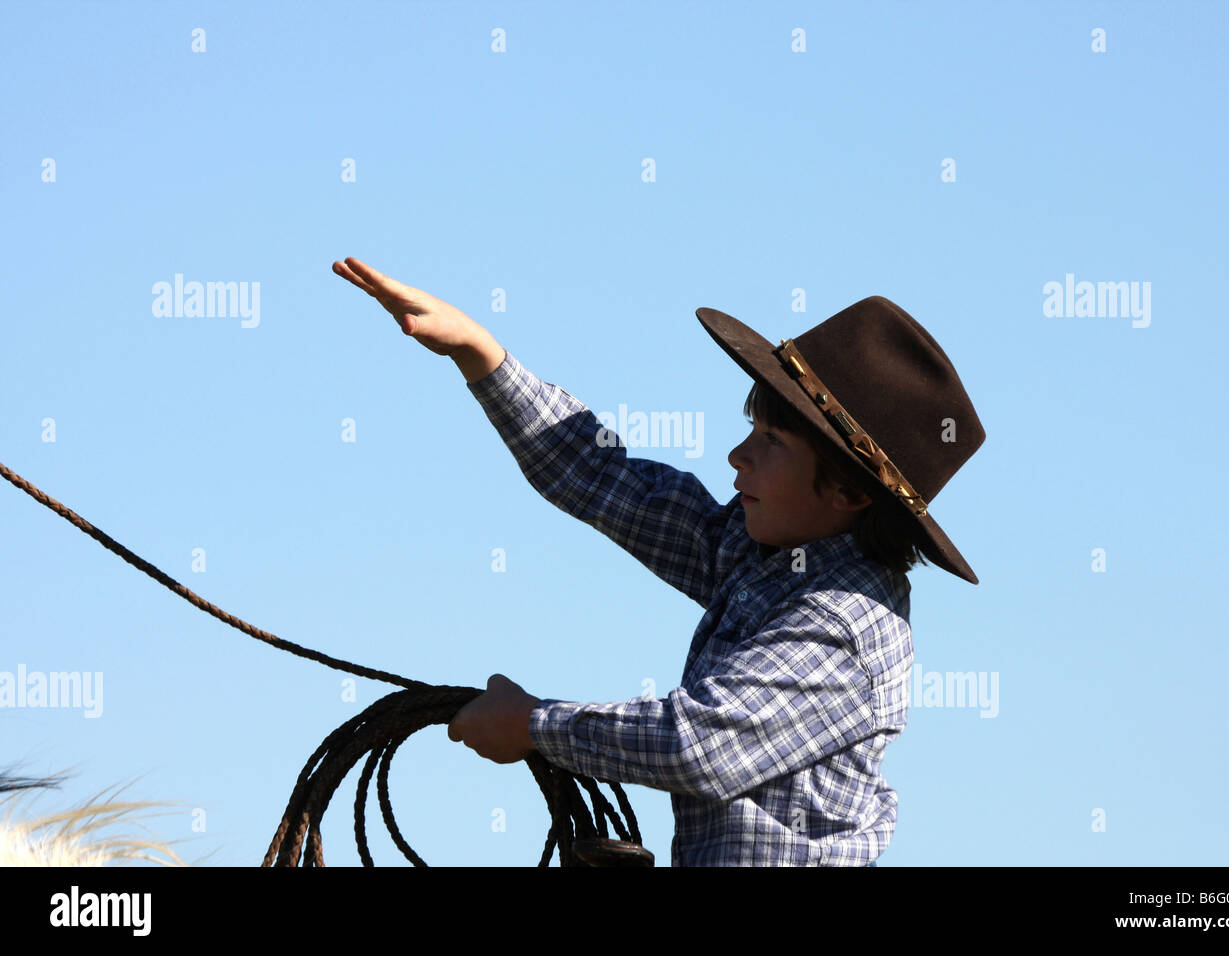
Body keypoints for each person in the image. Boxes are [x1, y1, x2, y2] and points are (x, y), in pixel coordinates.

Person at [331, 257, 986, 866]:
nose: (740, 455)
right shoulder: (765, 559)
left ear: (847, 491)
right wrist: (481, 355)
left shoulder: (842, 624)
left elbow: (697, 745)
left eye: (772, 441)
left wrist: (532, 725)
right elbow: (603, 477)